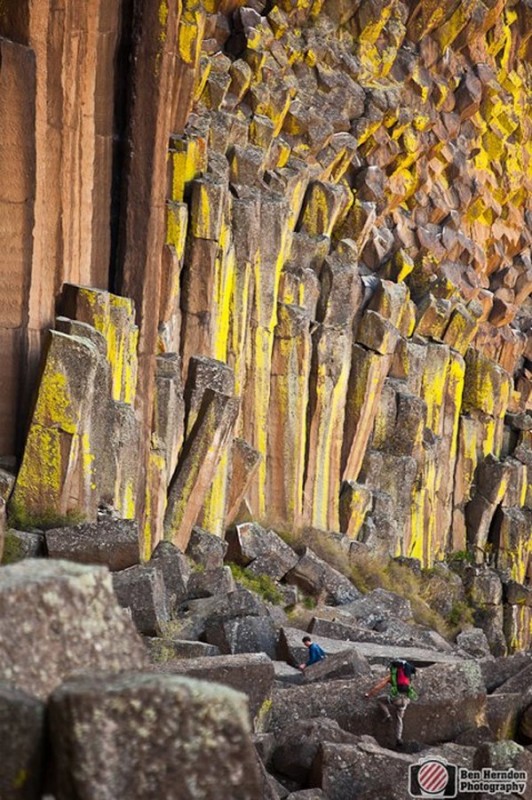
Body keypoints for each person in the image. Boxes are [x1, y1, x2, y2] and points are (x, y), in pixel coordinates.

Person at [364, 659, 418, 748]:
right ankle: (398, 738)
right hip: (405, 701)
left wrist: (369, 694)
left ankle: (387, 715)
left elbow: (379, 686)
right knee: (399, 719)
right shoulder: (407, 676)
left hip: (396, 699)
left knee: (380, 700)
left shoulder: (392, 676)